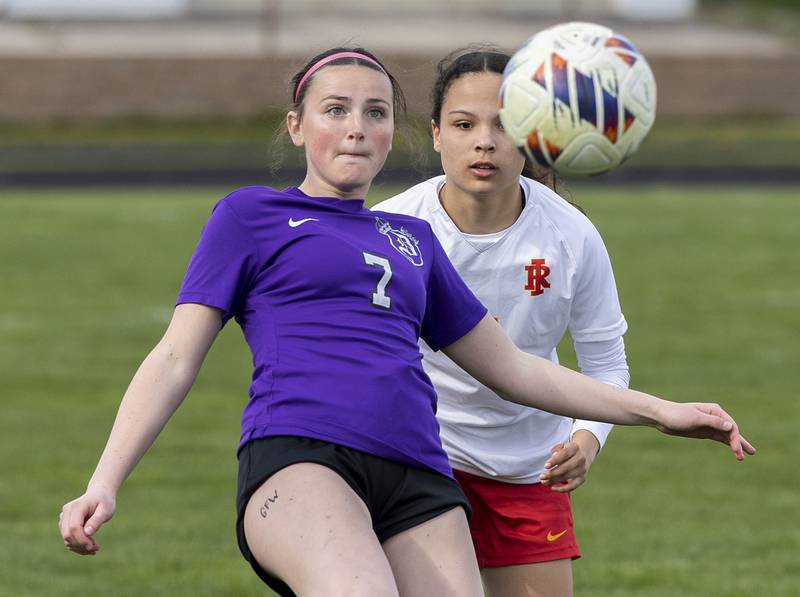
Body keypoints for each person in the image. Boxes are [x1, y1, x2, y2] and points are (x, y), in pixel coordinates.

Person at [59, 47, 754, 597]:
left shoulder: (411, 240)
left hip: (419, 477)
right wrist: (104, 480)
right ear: (297, 125)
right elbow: (176, 358)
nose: (358, 125)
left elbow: (515, 368)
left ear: (394, 133)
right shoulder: (251, 216)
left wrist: (660, 411)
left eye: (375, 111)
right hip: (304, 456)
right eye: (336, 109)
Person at [373, 48, 629, 596]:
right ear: (438, 135)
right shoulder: (390, 230)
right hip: (418, 464)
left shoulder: (572, 235)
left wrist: (587, 439)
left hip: (529, 471)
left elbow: (607, 365)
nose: (484, 141)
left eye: (506, 125)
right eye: (464, 125)